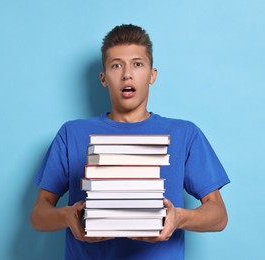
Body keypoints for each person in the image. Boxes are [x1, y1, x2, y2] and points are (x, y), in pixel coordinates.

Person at [31, 24, 230, 259]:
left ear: (152, 74)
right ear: (104, 78)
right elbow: (38, 214)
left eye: (137, 64)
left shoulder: (184, 134)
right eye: (117, 65)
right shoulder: (71, 134)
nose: (127, 74)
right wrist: (68, 216)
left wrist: (179, 218)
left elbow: (218, 215)